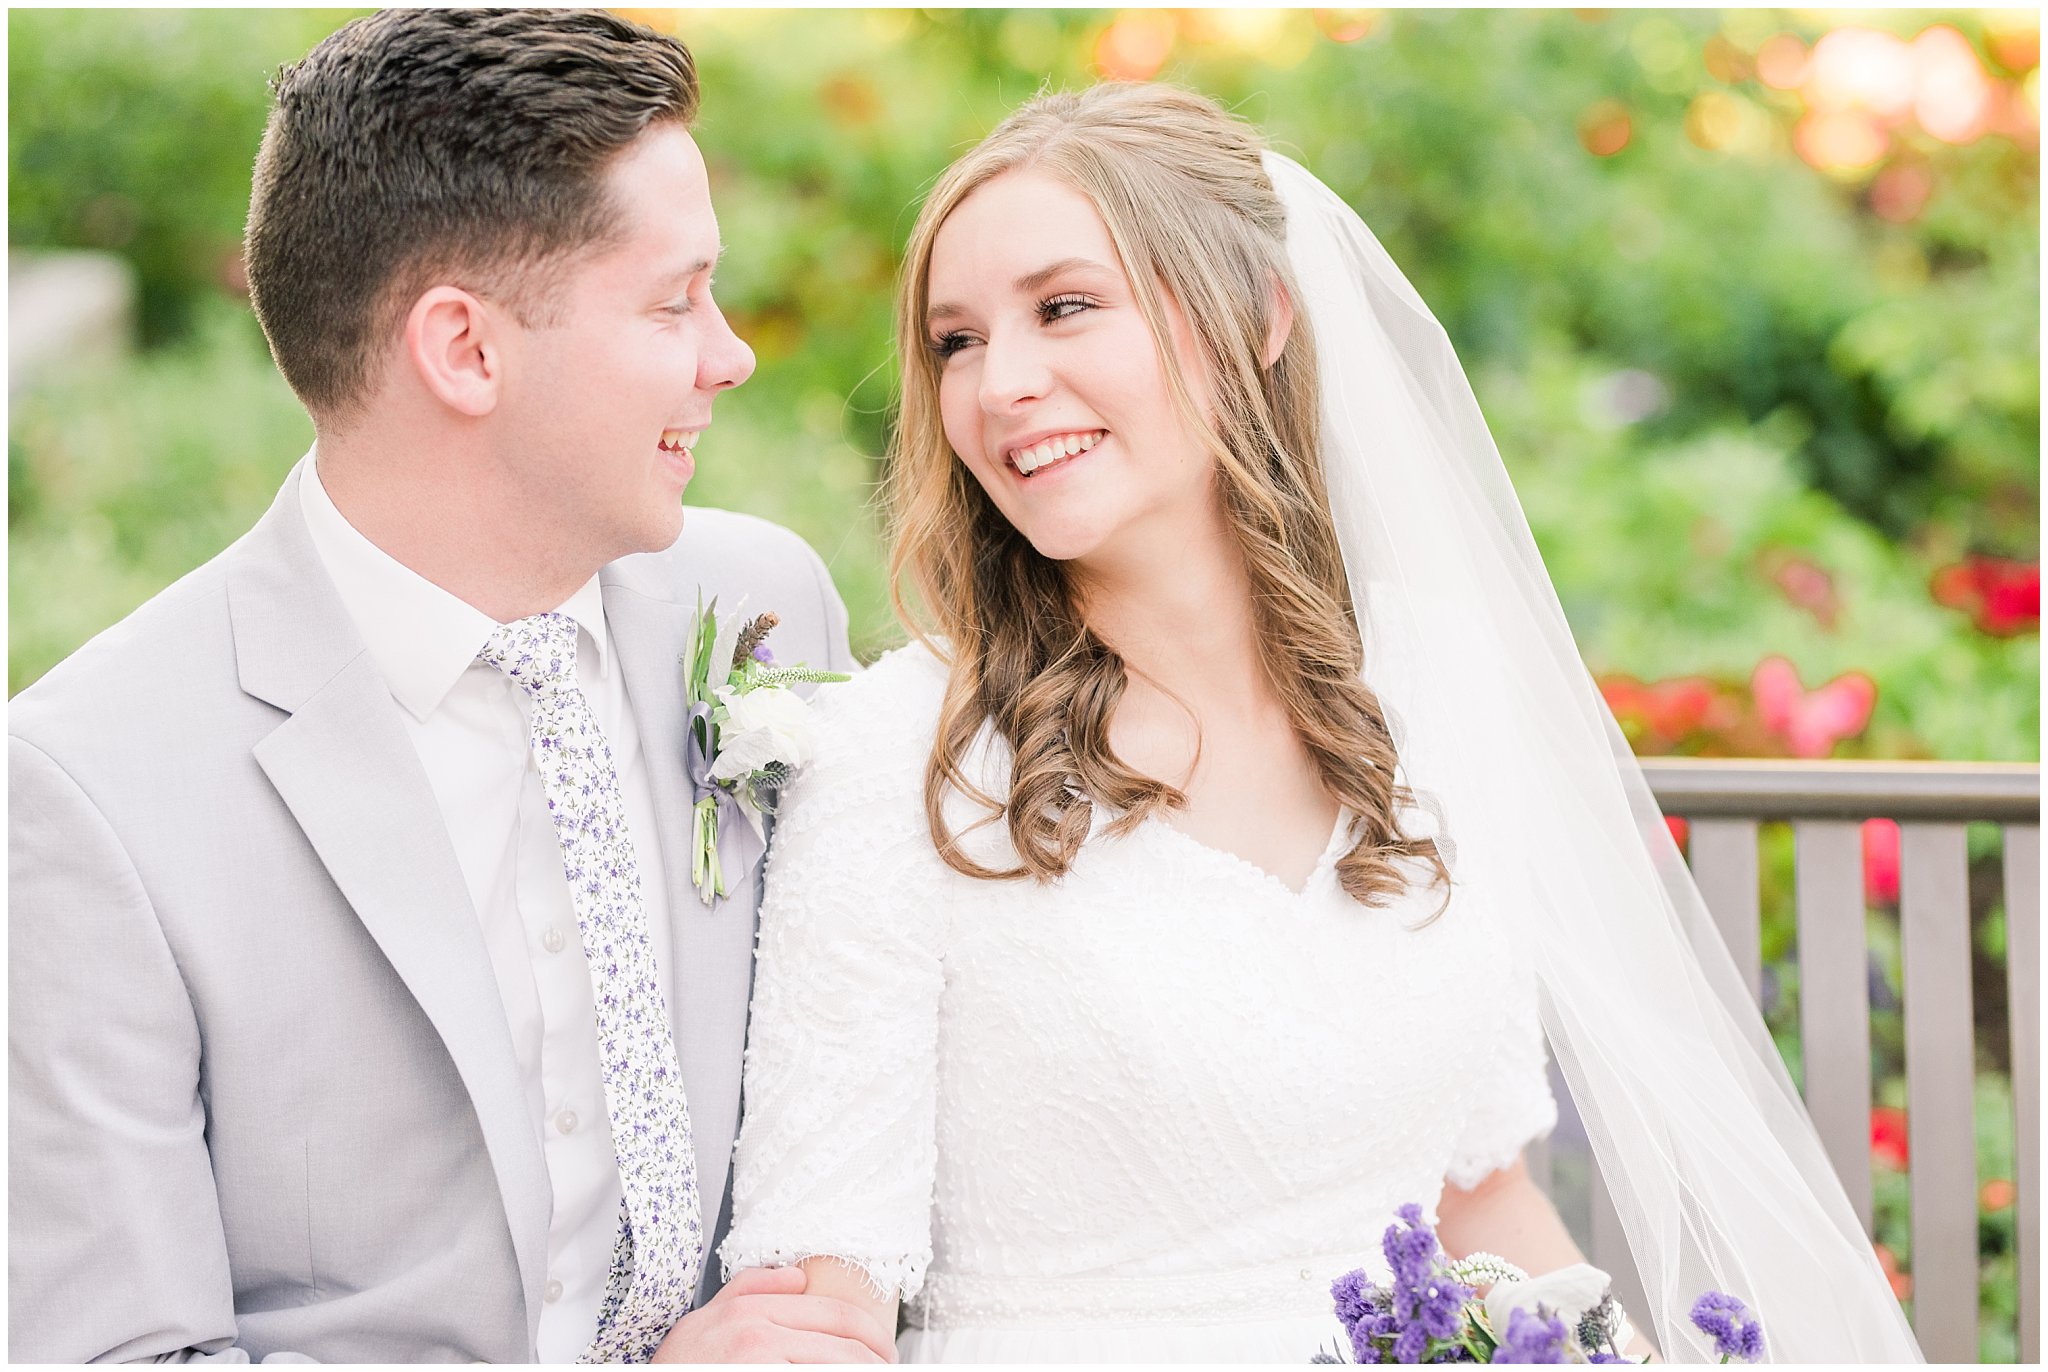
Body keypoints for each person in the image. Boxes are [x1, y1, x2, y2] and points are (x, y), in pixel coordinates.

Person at [717, 83, 1924, 1362]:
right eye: (954, 341)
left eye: (1064, 306)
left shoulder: (1430, 684)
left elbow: (1480, 1199)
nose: (1000, 383)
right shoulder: (900, 753)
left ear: (1257, 315)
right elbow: (819, 1303)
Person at [8, 11, 883, 1364]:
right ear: (466, 350)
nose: (730, 354)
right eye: (673, 300)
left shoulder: (762, 607)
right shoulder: (88, 794)